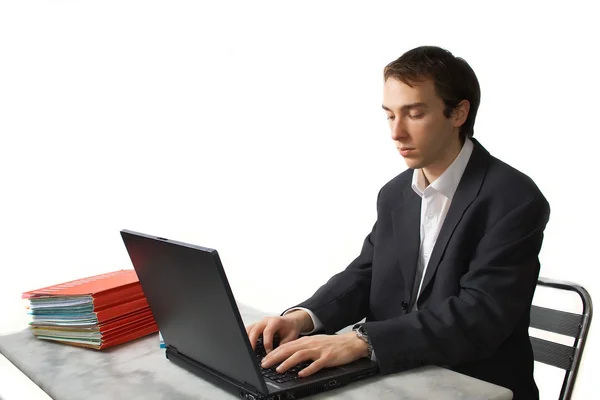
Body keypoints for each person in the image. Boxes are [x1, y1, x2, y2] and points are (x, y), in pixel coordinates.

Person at [245, 45, 550, 400]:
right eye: (390, 115)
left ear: (459, 113)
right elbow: (366, 273)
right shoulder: (394, 194)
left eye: (414, 114)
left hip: (475, 385)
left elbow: (480, 315)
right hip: (398, 376)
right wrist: (302, 318)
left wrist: (361, 341)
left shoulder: (514, 198)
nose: (396, 132)